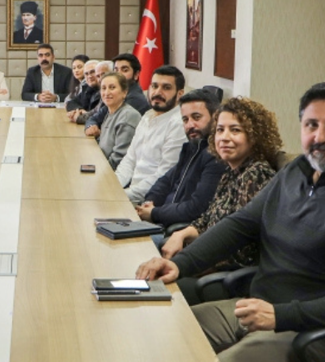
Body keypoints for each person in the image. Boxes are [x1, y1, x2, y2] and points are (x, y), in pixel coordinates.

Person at [136, 82, 325, 362]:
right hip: (257, 310)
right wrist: (179, 264)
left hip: (319, 339)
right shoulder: (296, 172)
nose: (320, 137)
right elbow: (241, 225)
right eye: (311, 125)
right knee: (156, 337)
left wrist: (280, 316)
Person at [159, 97, 282, 305]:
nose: (224, 138)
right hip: (208, 262)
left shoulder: (257, 174)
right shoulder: (230, 172)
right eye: (220, 130)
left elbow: (243, 248)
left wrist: (195, 261)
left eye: (235, 130)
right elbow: (208, 218)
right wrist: (182, 234)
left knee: (161, 289)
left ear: (255, 136)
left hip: (233, 278)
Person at [137, 89, 226, 231]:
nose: (190, 125)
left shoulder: (216, 156)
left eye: (196, 117)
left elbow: (196, 208)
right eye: (185, 120)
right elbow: (165, 181)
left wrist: (154, 213)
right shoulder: (191, 147)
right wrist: (149, 203)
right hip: (161, 221)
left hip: (178, 232)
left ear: (215, 118)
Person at [115, 65, 187, 203]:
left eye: (166, 88)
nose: (157, 92)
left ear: (180, 94)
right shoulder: (147, 116)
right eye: (154, 86)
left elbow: (164, 175)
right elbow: (129, 160)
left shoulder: (178, 124)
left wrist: (122, 196)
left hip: (151, 201)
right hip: (131, 193)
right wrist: (113, 187)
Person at [94, 72, 141, 169]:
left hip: (113, 175)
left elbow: (119, 159)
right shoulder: (110, 111)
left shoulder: (128, 116)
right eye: (103, 88)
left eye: (112, 88)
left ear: (124, 92)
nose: (106, 93)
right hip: (101, 164)